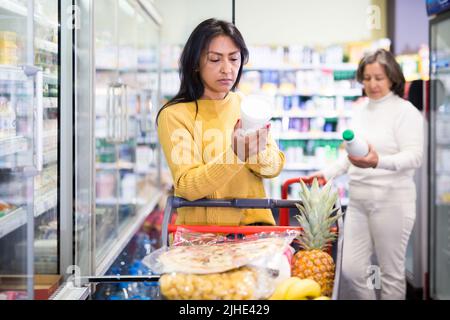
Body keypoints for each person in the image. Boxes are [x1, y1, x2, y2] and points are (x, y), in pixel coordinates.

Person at [308, 49, 424, 300]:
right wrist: (327, 173)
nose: (372, 84)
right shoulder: (360, 110)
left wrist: (377, 162)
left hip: (392, 201)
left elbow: (414, 156)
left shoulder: (405, 112)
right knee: (351, 269)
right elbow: (353, 154)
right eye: (367, 77)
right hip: (359, 201)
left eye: (379, 78)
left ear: (392, 77)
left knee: (391, 273)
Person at [156, 18, 285, 227]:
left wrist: (255, 152)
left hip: (254, 233)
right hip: (199, 239)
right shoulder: (174, 115)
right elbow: (187, 187)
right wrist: (236, 155)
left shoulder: (246, 105)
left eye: (234, 59)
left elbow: (272, 169)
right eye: (215, 60)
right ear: (195, 63)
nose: (227, 69)